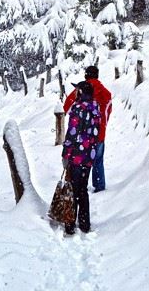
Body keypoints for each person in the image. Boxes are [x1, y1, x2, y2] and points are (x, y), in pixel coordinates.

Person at [62, 80, 101, 235]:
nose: (76, 92)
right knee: (83, 189)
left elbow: (72, 133)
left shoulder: (78, 109)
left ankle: (70, 224)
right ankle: (84, 224)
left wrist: (66, 154)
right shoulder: (95, 108)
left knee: (72, 189)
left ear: (82, 92)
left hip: (77, 155)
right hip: (89, 155)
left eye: (78, 90)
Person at [64, 65, 112, 192]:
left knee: (81, 163)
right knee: (98, 160)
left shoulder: (81, 90)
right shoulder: (106, 94)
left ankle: (79, 188)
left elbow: (66, 107)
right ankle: (99, 185)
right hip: (100, 132)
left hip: (82, 136)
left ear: (86, 75)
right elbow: (107, 113)